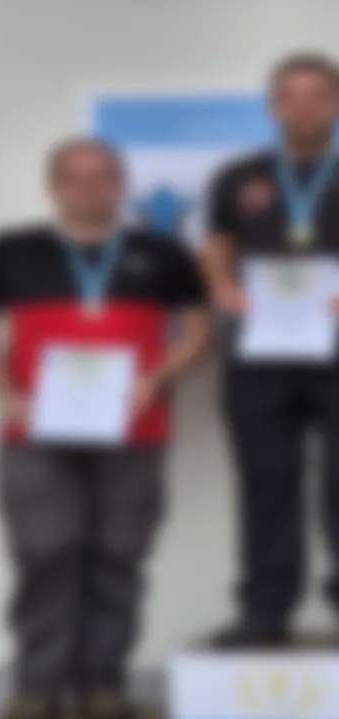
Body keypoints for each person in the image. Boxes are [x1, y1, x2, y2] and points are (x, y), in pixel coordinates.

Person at [0, 138, 212, 719]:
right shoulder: (11, 251)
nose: (89, 189)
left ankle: (103, 687)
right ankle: (37, 690)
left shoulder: (163, 253)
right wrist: (8, 392)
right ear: (55, 187)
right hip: (36, 435)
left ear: (119, 185)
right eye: (75, 178)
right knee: (45, 557)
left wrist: (157, 377)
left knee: (118, 557)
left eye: (102, 177)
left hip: (135, 431)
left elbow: (198, 330)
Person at [201, 52, 339, 648]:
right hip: (261, 355)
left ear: (335, 103)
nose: (303, 108)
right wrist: (222, 286)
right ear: (272, 106)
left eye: (317, 96)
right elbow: (216, 245)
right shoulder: (238, 177)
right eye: (291, 97)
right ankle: (265, 608)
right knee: (267, 481)